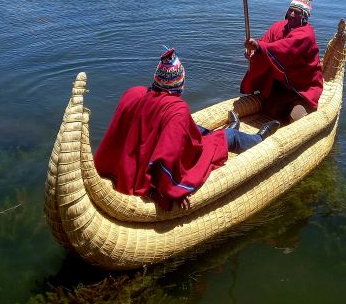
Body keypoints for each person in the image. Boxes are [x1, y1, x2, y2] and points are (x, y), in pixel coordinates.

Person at [94, 48, 280, 210]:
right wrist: (171, 190)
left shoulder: (134, 94)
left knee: (192, 127)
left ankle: (230, 128)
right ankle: (258, 138)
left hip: (135, 161)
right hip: (149, 175)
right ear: (179, 82)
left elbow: (117, 135)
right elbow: (167, 159)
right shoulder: (177, 110)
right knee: (230, 137)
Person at [241, 0, 323, 122]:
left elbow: (285, 48)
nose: (291, 14)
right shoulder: (279, 27)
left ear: (305, 16)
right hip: (282, 84)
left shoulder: (306, 34)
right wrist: (252, 51)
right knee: (271, 112)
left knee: (295, 118)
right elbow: (264, 42)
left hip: (302, 88)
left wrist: (258, 46)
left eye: (297, 12)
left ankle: (302, 108)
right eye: (290, 10)